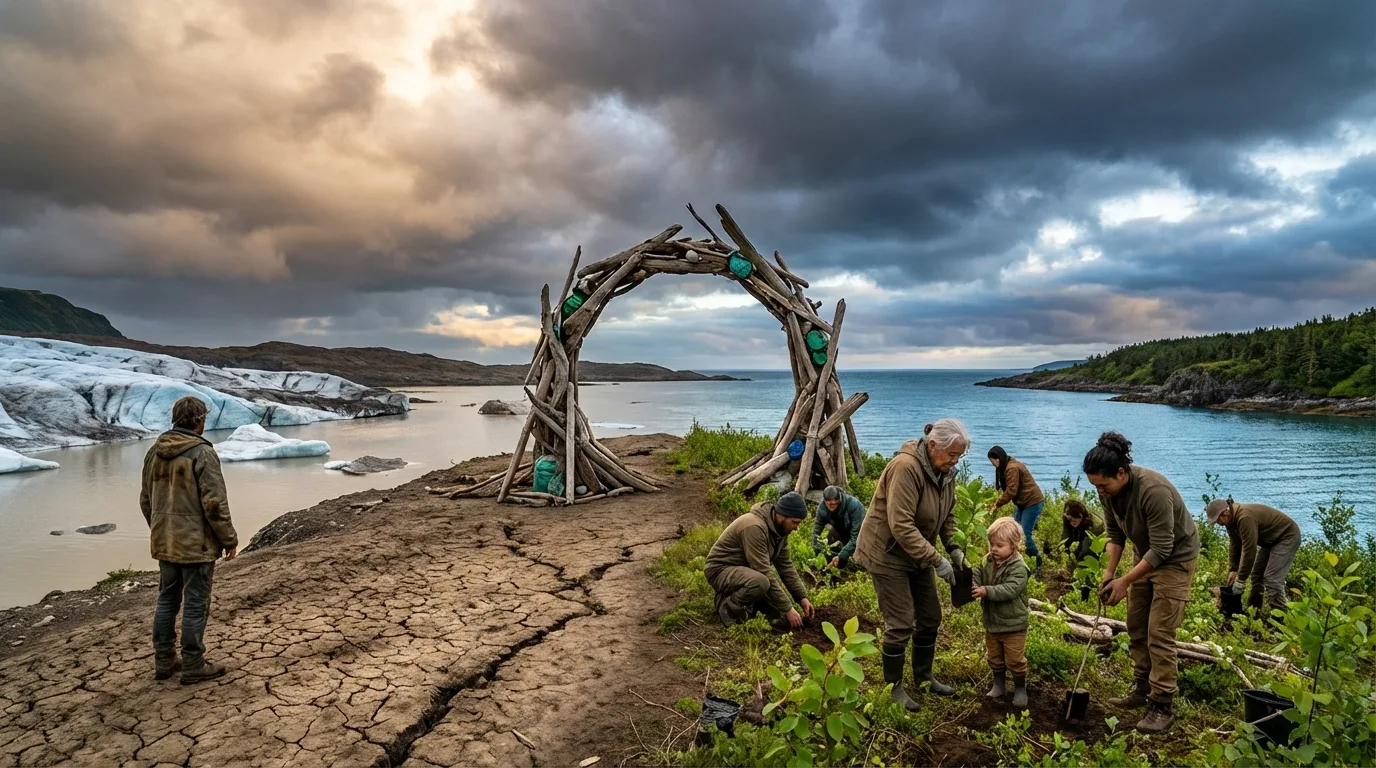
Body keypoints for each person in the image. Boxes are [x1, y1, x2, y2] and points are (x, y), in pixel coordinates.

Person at [1085, 432, 1199, 735]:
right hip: (1144, 556)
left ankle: (1162, 704)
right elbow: (1115, 534)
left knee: (1159, 631)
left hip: (1175, 560)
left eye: (1103, 485)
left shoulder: (1154, 491)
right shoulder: (1107, 491)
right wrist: (1110, 574)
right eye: (1095, 485)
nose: (1100, 491)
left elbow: (1163, 548)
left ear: (1121, 473)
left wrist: (1126, 579)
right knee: (1136, 624)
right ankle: (1141, 687)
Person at [855, 419, 969, 711]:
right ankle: (893, 689)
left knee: (930, 616)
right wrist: (937, 560)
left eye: (959, 456)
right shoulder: (905, 468)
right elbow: (901, 526)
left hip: (917, 553)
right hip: (888, 553)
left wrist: (954, 549)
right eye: (951, 455)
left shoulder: (945, 472)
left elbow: (948, 515)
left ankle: (923, 677)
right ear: (933, 445)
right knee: (901, 622)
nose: (955, 461)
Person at [139, 395, 238, 685]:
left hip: (165, 541)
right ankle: (194, 664)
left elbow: (146, 499)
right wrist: (229, 539)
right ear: (199, 420)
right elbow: (213, 503)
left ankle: (164, 661)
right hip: (196, 545)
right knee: (196, 602)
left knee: (167, 598)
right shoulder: (201, 452)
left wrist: (160, 528)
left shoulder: (153, 452)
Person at [704, 491, 815, 630]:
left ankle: (750, 605)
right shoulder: (754, 527)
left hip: (745, 571)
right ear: (782, 515)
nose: (796, 528)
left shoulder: (779, 531)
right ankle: (727, 609)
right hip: (720, 570)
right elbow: (763, 571)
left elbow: (785, 566)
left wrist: (801, 598)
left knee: (780, 619)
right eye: (795, 522)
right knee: (761, 582)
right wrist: (788, 608)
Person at [1205, 497, 1300, 612]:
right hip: (1270, 541)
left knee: (1272, 579)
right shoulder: (1230, 520)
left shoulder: (1244, 517)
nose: (1218, 523)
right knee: (1256, 576)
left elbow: (1249, 549)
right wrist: (1233, 569)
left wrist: (1240, 580)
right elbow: (1235, 544)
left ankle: (1281, 618)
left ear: (1224, 513)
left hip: (1286, 536)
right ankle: (1254, 613)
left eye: (1217, 520)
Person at [974, 516, 1031, 709]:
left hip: (1014, 625)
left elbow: (1010, 589)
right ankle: (998, 685)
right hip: (993, 623)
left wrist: (986, 591)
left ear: (1014, 546)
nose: (994, 549)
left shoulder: (1019, 568)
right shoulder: (988, 560)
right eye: (991, 544)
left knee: (1015, 660)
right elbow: (978, 573)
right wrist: (972, 583)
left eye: (999, 545)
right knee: (995, 657)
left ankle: (1020, 688)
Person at [987, 446, 1045, 569]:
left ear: (999, 458)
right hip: (1022, 503)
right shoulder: (1007, 464)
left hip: (1032, 502)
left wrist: (997, 504)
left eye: (994, 461)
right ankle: (1018, 559)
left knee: (1024, 534)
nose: (994, 465)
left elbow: (1011, 491)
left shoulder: (1012, 468)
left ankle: (1038, 562)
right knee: (1014, 533)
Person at [813, 485, 866, 570]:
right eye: (829, 501)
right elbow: (817, 529)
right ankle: (832, 563)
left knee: (860, 563)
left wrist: (843, 555)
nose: (833, 503)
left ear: (840, 498)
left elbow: (857, 536)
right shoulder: (822, 508)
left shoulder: (854, 505)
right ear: (824, 500)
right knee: (828, 528)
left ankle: (847, 560)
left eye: (835, 500)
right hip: (842, 535)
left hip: (862, 538)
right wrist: (817, 549)